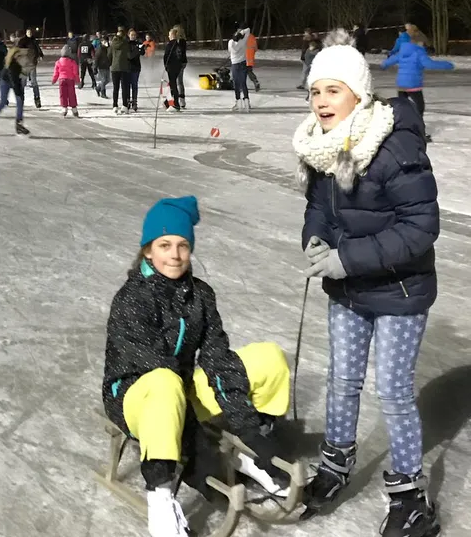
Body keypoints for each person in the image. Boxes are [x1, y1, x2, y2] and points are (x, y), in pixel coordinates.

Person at [293, 29, 441, 537]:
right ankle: (334, 466)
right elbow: (320, 207)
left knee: (394, 391)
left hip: (400, 292)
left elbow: (421, 227)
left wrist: (346, 259)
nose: (321, 101)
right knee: (342, 381)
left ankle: (410, 496)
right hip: (350, 291)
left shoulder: (392, 143)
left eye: (332, 90)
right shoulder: (322, 146)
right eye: (315, 91)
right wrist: (315, 239)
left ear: (358, 92)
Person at [104, 195, 290, 537]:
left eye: (182, 245)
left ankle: (255, 448)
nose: (174, 255)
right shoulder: (131, 300)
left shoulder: (200, 295)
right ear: (148, 250)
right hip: (136, 397)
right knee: (163, 381)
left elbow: (218, 357)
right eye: (164, 245)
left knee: (268, 357)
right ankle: (160, 500)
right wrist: (201, 454)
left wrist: (248, 430)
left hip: (182, 388)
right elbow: (156, 370)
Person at [380, 29, 453, 143]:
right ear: (418, 42)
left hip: (401, 85)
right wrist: (447, 65)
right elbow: (429, 64)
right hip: (413, 85)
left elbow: (389, 61)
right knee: (419, 110)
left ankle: (399, 131)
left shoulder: (402, 51)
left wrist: (384, 65)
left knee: (402, 110)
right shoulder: (418, 52)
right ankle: (419, 135)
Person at [0, 31, 35, 136]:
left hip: (8, 78)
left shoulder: (18, 53)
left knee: (7, 101)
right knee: (16, 100)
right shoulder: (18, 57)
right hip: (8, 79)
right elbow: (13, 75)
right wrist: (18, 91)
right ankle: (16, 124)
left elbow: (23, 69)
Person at [228, 24, 251, 111]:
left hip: (235, 64)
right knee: (243, 83)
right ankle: (247, 102)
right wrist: (241, 33)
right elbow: (248, 29)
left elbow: (231, 51)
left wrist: (237, 34)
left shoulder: (231, 42)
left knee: (236, 84)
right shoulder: (243, 40)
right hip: (243, 63)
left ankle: (238, 102)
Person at [52, 45, 80, 117]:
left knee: (63, 94)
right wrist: (78, 81)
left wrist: (54, 80)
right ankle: (74, 109)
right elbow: (75, 73)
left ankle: (64, 108)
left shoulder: (58, 62)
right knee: (71, 94)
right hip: (70, 80)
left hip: (62, 80)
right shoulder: (72, 62)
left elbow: (56, 73)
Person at [108, 27, 131, 115]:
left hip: (114, 68)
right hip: (124, 68)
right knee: (124, 88)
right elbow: (129, 55)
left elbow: (109, 55)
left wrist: (111, 63)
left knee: (115, 88)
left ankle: (115, 105)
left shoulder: (112, 44)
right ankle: (124, 106)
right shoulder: (125, 43)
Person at [163, 28, 185, 113]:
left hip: (171, 67)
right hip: (178, 67)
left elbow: (166, 56)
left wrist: (166, 66)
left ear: (172, 35)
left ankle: (175, 104)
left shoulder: (170, 45)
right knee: (173, 84)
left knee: (173, 85)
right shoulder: (178, 45)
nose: (168, 36)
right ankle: (167, 102)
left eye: (169, 35)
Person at [24, 28, 44, 108]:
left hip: (32, 64)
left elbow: (38, 48)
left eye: (30, 32)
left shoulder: (34, 41)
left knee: (34, 82)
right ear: (26, 33)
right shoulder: (23, 41)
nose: (29, 33)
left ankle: (37, 99)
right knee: (22, 83)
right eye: (28, 32)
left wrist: (40, 55)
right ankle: (20, 100)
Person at [127, 29, 146, 112]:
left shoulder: (138, 43)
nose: (133, 36)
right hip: (127, 67)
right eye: (132, 35)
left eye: (134, 35)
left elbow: (142, 53)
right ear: (128, 35)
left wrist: (141, 48)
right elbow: (129, 56)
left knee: (134, 85)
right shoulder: (126, 44)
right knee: (127, 85)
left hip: (136, 67)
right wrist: (137, 50)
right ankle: (127, 101)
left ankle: (134, 101)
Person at [171, 25, 188, 108]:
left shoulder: (180, 41)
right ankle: (180, 99)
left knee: (178, 81)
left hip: (180, 63)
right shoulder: (180, 41)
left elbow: (179, 53)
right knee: (178, 81)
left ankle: (180, 99)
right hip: (180, 62)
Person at [94, 34, 111, 99]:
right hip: (101, 66)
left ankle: (98, 88)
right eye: (104, 41)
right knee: (103, 80)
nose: (105, 43)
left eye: (106, 41)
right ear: (101, 42)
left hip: (107, 65)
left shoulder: (108, 48)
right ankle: (103, 93)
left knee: (108, 80)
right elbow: (96, 58)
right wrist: (95, 67)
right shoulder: (100, 49)